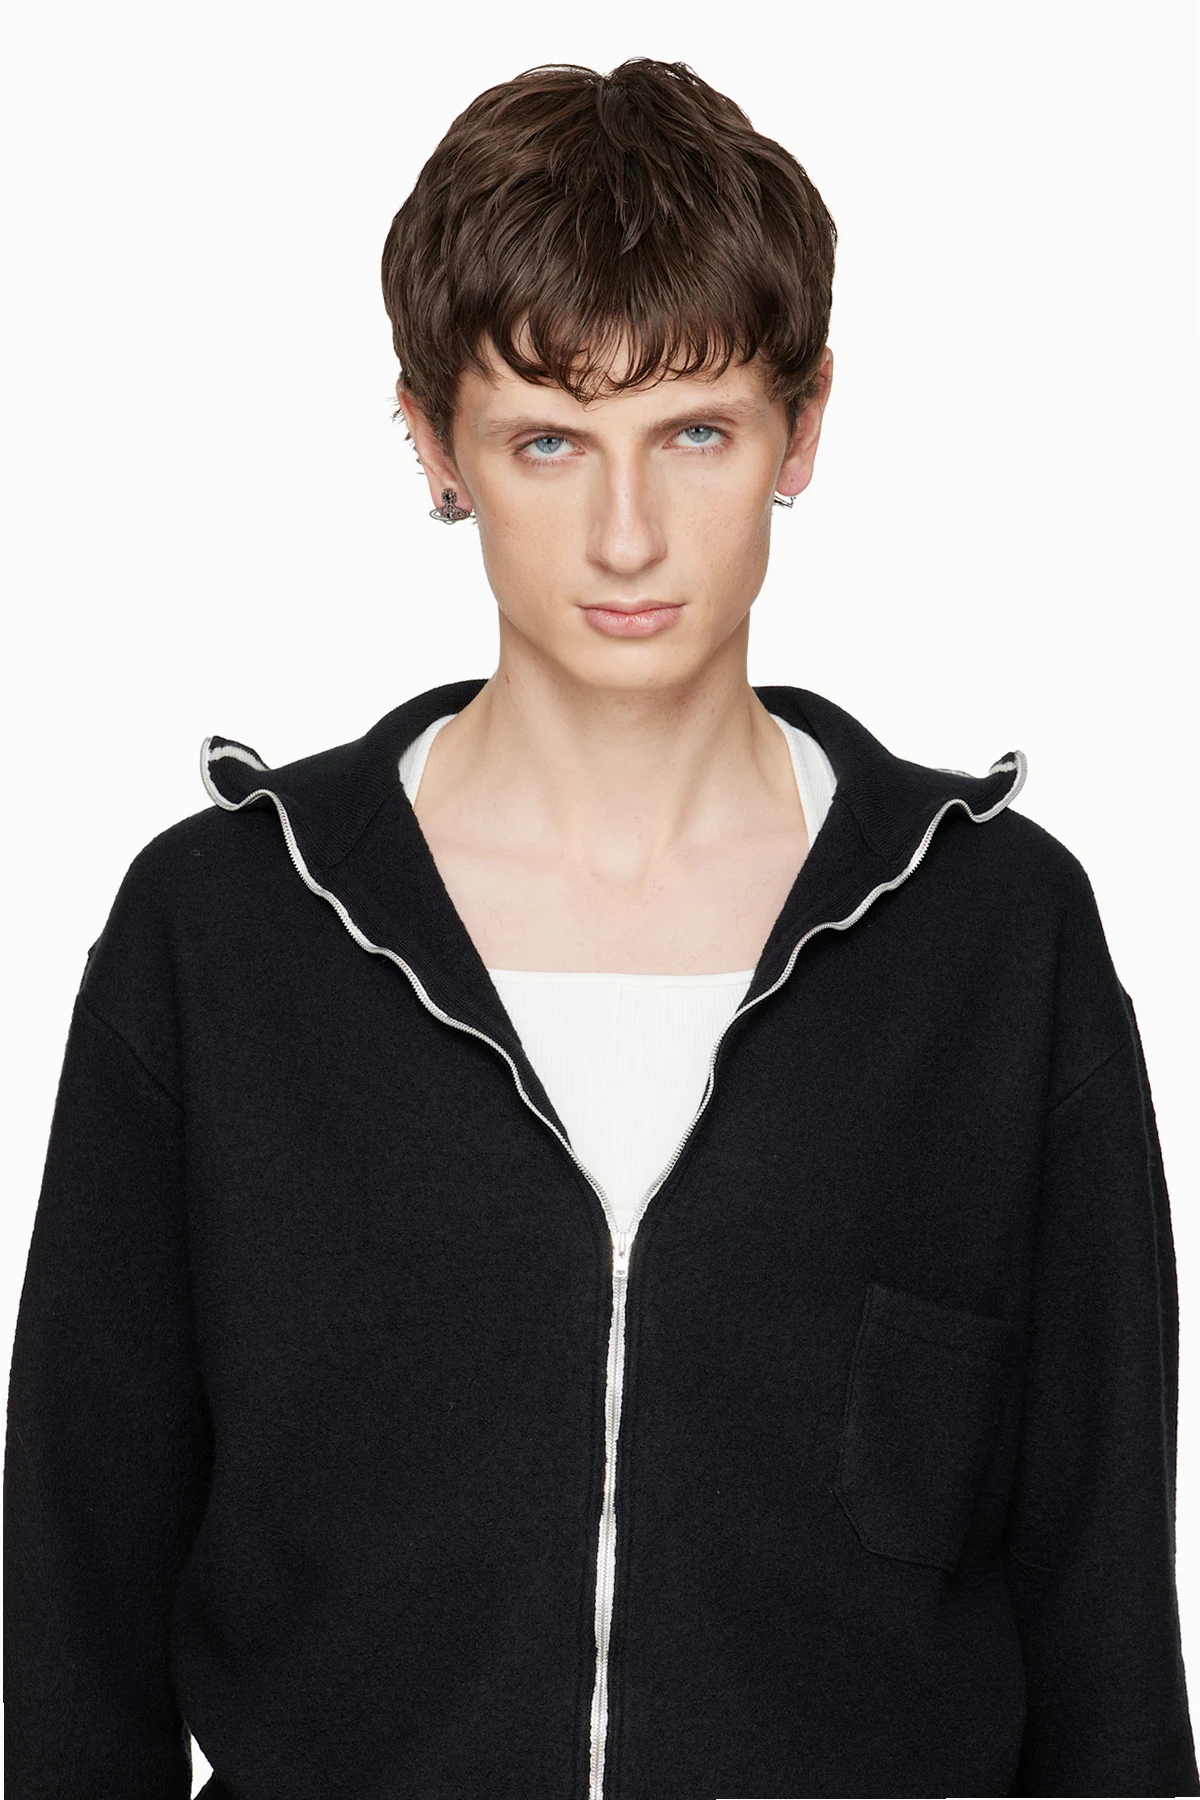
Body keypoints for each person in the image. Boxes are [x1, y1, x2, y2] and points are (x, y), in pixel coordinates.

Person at [4, 54, 1196, 1800]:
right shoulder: (226, 933)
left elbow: (1104, 1620)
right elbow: (76, 1602)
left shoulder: (994, 938)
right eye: (547, 442)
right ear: (434, 444)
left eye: (695, 432)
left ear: (803, 426)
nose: (627, 536)